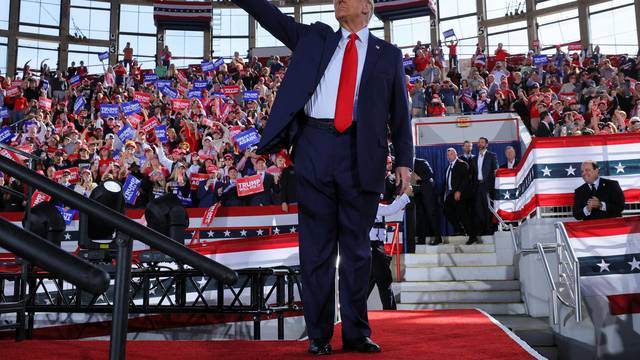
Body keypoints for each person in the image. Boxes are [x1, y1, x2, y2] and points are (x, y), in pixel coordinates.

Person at [231, 0, 413, 355]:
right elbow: (271, 17)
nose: (337, 1)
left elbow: (400, 113)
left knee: (358, 251)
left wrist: (405, 160)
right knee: (315, 251)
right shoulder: (316, 37)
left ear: (367, 7)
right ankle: (318, 335)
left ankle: (356, 333)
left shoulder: (388, 54)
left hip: (362, 153)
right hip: (314, 146)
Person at [368, 184, 412, 310]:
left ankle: (355, 309)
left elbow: (393, 212)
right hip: (374, 247)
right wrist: (405, 196)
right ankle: (390, 310)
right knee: (384, 280)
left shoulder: (371, 206)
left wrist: (400, 199)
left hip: (375, 246)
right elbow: (390, 210)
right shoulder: (371, 206)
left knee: (371, 280)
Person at [443, 148, 477, 244]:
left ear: (456, 154)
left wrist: (459, 191)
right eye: (448, 155)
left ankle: (472, 236)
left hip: (462, 194)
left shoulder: (462, 164)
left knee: (464, 215)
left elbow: (466, 179)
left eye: (451, 154)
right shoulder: (448, 168)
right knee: (446, 210)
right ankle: (460, 229)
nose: (449, 156)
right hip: (451, 193)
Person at [471, 137, 497, 240]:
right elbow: (473, 174)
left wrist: (493, 186)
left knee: (488, 208)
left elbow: (495, 171)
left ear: (486, 144)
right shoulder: (474, 158)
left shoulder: (491, 156)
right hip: (478, 186)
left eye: (482, 142)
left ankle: (489, 229)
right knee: (479, 209)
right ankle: (482, 229)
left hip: (488, 186)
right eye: (479, 143)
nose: (480, 144)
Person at [412, 158, 442, 245]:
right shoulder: (407, 166)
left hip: (427, 193)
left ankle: (438, 237)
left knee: (431, 214)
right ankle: (421, 239)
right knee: (420, 217)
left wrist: (419, 178)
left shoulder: (422, 162)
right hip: (417, 194)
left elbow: (430, 174)